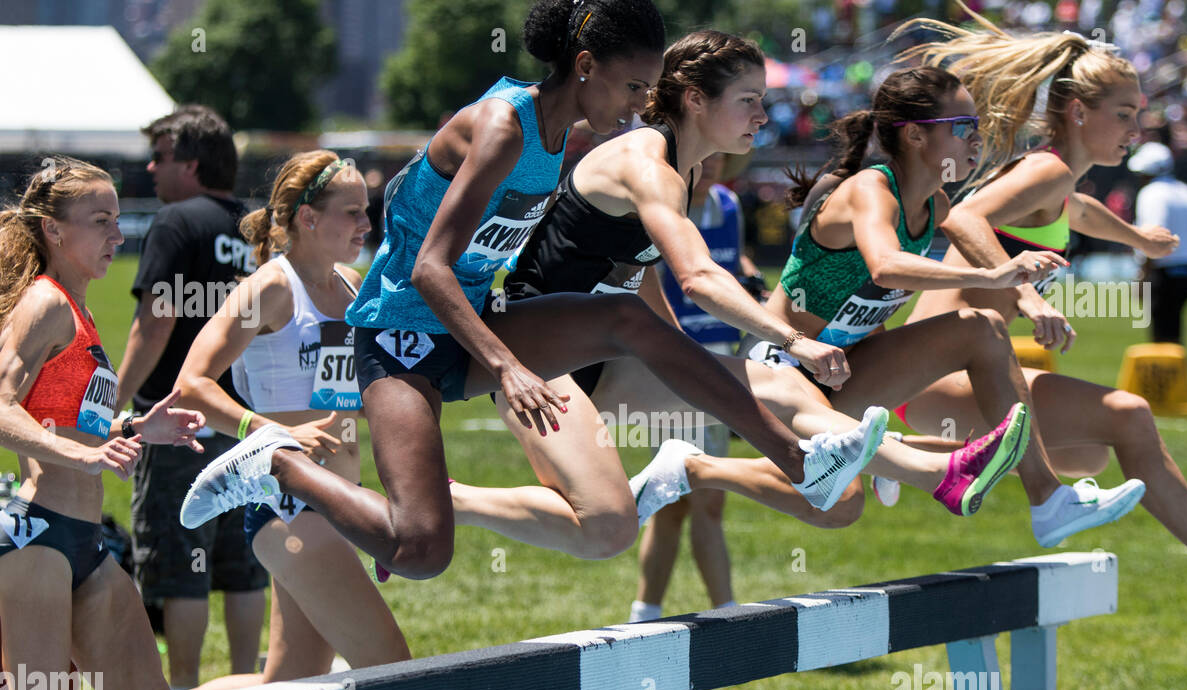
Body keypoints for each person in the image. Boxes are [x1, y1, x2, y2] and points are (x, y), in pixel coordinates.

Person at [179, 1, 882, 580]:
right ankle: (274, 465)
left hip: (474, 324)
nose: (643, 106)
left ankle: (799, 463)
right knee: (422, 550)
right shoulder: (505, 125)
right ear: (585, 67)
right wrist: (510, 367)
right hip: (399, 335)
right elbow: (430, 267)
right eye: (634, 87)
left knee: (627, 320)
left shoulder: (558, 140)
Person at [447, 32, 1037, 569]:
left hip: (606, 355)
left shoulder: (688, 169)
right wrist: (792, 338)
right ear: (696, 101)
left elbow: (637, 270)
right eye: (749, 99)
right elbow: (699, 275)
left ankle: (938, 471)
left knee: (785, 389)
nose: (763, 114)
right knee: (606, 529)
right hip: (537, 358)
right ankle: (447, 503)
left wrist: (675, 348)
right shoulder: (645, 165)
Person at [895, 6, 1187, 614]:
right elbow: (962, 216)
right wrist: (1025, 295)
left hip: (936, 379)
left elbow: (1081, 213)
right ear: (1080, 112)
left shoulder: (1059, 182)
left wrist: (1140, 240)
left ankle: (902, 458)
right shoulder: (1045, 170)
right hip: (938, 373)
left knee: (1089, 453)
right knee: (1130, 415)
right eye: (1126, 114)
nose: (1137, 128)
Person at [172, 150, 466, 690]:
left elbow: (362, 417)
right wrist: (267, 432)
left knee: (288, 683)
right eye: (352, 211)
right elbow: (192, 383)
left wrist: (382, 525)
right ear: (306, 219)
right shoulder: (269, 289)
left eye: (367, 209)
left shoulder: (352, 285)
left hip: (343, 508)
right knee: (388, 670)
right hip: (286, 508)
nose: (368, 221)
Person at [0, 157, 205, 690]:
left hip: (87, 549)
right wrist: (83, 458)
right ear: (54, 230)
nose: (119, 232)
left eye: (119, 217)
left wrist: (132, 431)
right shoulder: (46, 303)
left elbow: (69, 423)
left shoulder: (81, 311)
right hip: (36, 545)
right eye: (100, 221)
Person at [114, 105, 267, 690]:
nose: (151, 167)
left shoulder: (177, 221)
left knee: (182, 567)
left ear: (193, 163)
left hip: (175, 422)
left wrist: (117, 404)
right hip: (242, 421)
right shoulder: (255, 228)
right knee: (244, 565)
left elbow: (155, 321)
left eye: (162, 156)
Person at [629, 151, 755, 623]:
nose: (718, 162)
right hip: (675, 363)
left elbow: (729, 261)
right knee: (706, 493)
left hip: (720, 357)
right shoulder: (661, 203)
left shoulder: (728, 204)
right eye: (708, 154)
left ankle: (644, 615)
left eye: (724, 155)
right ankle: (728, 616)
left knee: (672, 500)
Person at [1128, 141, 1187, 344]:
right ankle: (1177, 370)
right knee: (1173, 329)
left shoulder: (1151, 194)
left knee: (1162, 334)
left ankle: (1168, 373)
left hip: (1164, 270)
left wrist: (1143, 275)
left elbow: (1152, 237)